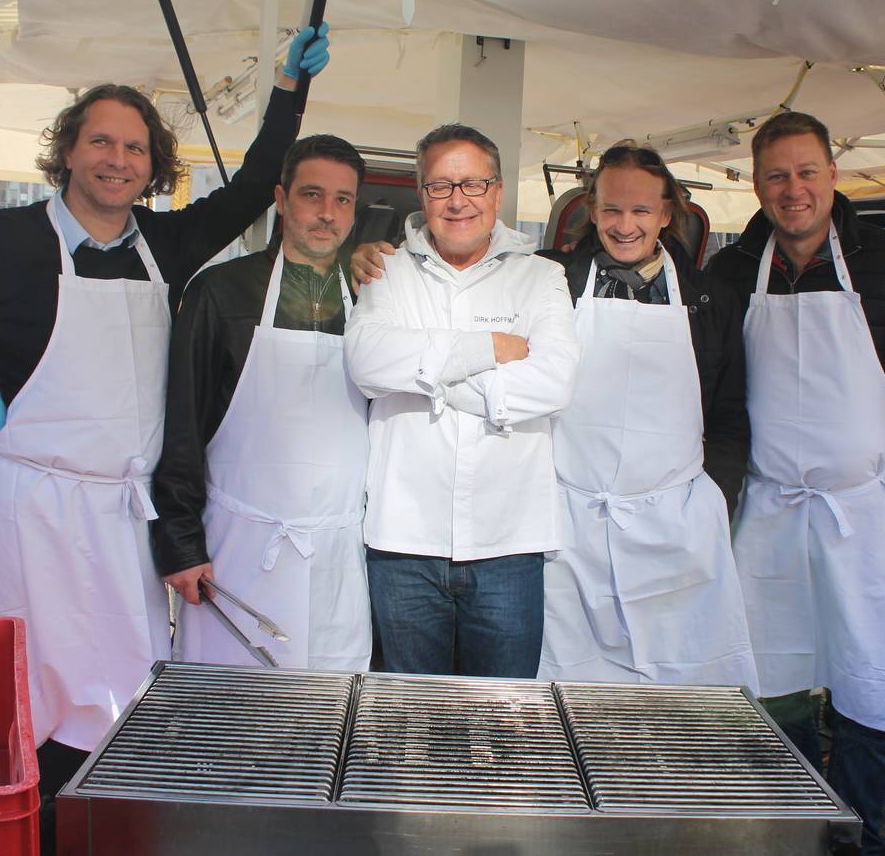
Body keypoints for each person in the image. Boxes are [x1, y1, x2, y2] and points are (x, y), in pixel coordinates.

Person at [0, 25, 330, 846]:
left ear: (154, 166)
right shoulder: (1, 241)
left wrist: (289, 91)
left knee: (127, 688)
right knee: (37, 686)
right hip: (30, 504)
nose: (119, 160)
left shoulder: (167, 244)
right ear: (68, 152)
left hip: (122, 511)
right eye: (102, 142)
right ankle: (31, 827)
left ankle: (103, 829)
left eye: (137, 148)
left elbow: (257, 185)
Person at [706, 111, 885, 856]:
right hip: (768, 508)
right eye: (777, 175)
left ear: (832, 174)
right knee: (774, 673)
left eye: (806, 172)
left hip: (869, 511)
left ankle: (858, 833)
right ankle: (789, 823)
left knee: (871, 682)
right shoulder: (732, 271)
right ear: (756, 184)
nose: (794, 190)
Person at [344, 123, 580, 679]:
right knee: (409, 721)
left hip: (510, 543)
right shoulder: (386, 270)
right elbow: (368, 365)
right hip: (403, 541)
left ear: (497, 193)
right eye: (441, 186)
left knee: (505, 722)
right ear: (421, 194)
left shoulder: (541, 277)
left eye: (473, 185)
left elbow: (554, 382)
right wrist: (490, 349)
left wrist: (430, 375)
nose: (458, 201)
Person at [533, 140, 757, 687]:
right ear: (591, 207)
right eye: (611, 209)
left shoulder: (710, 299)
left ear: (666, 213)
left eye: (640, 211)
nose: (624, 224)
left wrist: (713, 500)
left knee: (678, 698)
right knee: (568, 694)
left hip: (676, 531)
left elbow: (729, 411)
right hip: (569, 530)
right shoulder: (548, 282)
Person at [152, 134, 370, 672]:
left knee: (328, 712)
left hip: (341, 553)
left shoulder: (373, 300)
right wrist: (181, 544)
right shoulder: (221, 293)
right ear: (280, 196)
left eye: (343, 199)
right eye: (312, 195)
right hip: (239, 550)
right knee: (232, 717)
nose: (327, 214)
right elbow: (181, 427)